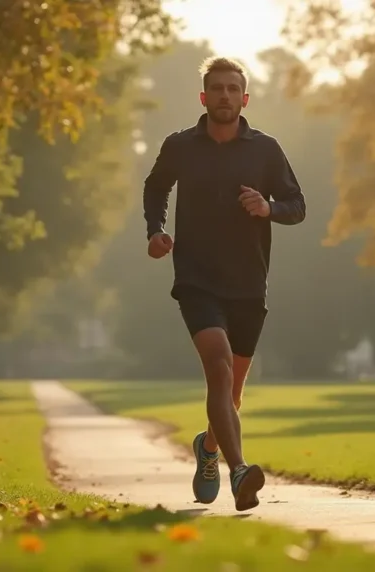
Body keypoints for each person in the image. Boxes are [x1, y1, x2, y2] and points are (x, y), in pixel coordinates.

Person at [141, 56, 306, 511]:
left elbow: (297, 204)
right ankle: (239, 472)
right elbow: (155, 188)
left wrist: (268, 208)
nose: (225, 96)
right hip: (196, 278)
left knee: (230, 390)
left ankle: (208, 449)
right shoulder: (180, 146)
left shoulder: (265, 149)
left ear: (245, 98)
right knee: (218, 366)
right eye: (218, 89)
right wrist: (155, 229)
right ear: (204, 97)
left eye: (234, 89)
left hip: (249, 282)